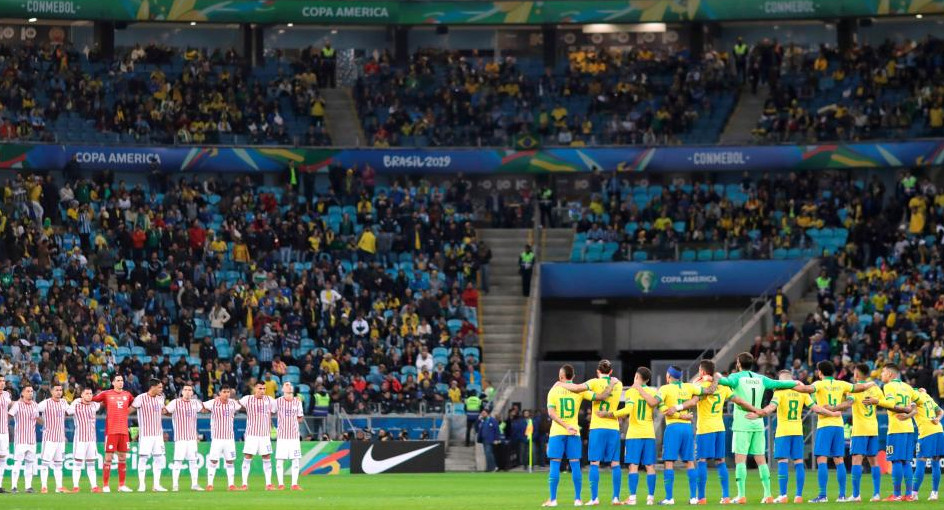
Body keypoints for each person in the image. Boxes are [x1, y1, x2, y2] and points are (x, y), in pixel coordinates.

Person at [716, 352, 813, 503]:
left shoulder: (736, 377)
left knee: (740, 459)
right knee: (761, 459)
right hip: (758, 422)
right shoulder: (761, 378)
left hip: (743, 421)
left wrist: (715, 376)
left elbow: (723, 382)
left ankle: (741, 495)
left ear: (738, 363)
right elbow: (779, 383)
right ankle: (767, 494)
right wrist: (796, 382)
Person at [747, 370, 839, 503]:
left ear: (781, 380)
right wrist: (832, 413)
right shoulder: (801, 392)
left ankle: (783, 495)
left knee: (782, 462)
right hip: (797, 432)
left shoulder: (779, 392)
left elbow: (770, 408)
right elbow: (816, 408)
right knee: (798, 463)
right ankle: (798, 496)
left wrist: (759, 413)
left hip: (783, 432)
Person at [543, 363, 611, 507]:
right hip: (574, 432)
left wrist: (565, 426)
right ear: (573, 376)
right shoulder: (579, 391)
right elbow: (601, 396)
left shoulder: (553, 391)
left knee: (554, 465)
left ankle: (553, 500)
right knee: (575, 465)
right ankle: (578, 499)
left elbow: (551, 413)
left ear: (561, 376)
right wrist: (612, 385)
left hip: (557, 432)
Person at [809, 360, 875, 502]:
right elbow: (856, 393)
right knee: (839, 460)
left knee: (822, 459)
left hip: (825, 424)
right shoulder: (842, 384)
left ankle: (822, 495)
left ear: (820, 372)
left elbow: (806, 390)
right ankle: (842, 495)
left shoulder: (818, 384)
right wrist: (871, 383)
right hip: (839, 425)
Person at [559, 360, 623, 505]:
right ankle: (616, 498)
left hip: (598, 427)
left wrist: (561, 383)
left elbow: (577, 388)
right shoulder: (618, 384)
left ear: (597, 371)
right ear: (611, 371)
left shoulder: (594, 382)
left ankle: (594, 498)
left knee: (595, 463)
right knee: (615, 463)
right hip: (613, 427)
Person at [654, 365, 719, 505]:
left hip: (673, 427)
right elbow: (710, 390)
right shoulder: (690, 387)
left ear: (668, 376)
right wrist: (716, 379)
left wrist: (676, 414)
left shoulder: (664, 389)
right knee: (690, 461)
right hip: (687, 428)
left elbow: (660, 406)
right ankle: (693, 498)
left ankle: (669, 498)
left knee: (669, 462)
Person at [826, 363, 889, 501]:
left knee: (856, 460)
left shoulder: (855, 389)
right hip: (873, 428)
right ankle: (876, 494)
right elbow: (884, 403)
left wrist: (833, 408)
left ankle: (856, 495)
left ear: (857, 374)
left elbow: (848, 403)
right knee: (874, 461)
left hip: (860, 429)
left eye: (854, 372)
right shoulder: (875, 388)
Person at [693, 360, 753, 504]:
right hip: (719, 428)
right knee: (720, 461)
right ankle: (725, 496)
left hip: (705, 428)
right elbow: (737, 400)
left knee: (702, 460)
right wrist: (754, 409)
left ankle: (701, 497)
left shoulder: (700, 385)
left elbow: (692, 396)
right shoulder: (723, 386)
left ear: (702, 371)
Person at [599, 367, 659, 505]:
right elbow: (656, 405)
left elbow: (627, 410)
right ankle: (650, 498)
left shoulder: (632, 391)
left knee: (633, 465)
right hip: (649, 433)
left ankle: (632, 498)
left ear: (637, 377)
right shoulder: (653, 391)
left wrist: (609, 414)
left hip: (635, 434)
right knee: (650, 466)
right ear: (648, 379)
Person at [865, 362, 920, 501]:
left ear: (890, 374)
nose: (881, 374)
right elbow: (917, 404)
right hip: (909, 428)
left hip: (896, 428)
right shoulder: (907, 387)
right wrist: (908, 413)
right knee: (906, 461)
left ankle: (896, 495)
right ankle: (909, 495)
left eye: (883, 372)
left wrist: (875, 401)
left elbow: (890, 404)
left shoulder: (889, 386)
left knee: (896, 461)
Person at [92, 374, 135, 492]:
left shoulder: (128, 395)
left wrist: (126, 413)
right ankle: (105, 485)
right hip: (111, 431)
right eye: (118, 380)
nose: (121, 382)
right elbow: (93, 399)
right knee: (108, 458)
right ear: (113, 382)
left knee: (122, 458)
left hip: (124, 431)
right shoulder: (106, 394)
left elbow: (135, 404)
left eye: (122, 380)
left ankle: (122, 485)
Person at [165, 384, 204, 492]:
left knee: (193, 461)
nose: (187, 392)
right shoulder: (175, 402)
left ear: (192, 393)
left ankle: (194, 484)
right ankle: (175, 485)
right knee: (178, 462)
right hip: (180, 438)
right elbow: (165, 411)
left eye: (190, 390)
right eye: (185, 390)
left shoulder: (195, 403)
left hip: (192, 438)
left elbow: (204, 410)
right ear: (182, 392)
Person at [239, 381, 276, 490]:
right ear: (255, 389)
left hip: (265, 435)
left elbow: (282, 404)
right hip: (252, 435)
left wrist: (295, 400)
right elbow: (235, 404)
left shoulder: (270, 400)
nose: (262, 391)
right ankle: (244, 484)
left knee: (267, 457)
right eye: (260, 388)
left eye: (264, 389)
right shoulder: (247, 399)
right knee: (248, 457)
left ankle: (268, 484)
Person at [132, 378, 167, 492]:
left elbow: (163, 411)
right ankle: (142, 485)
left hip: (158, 435)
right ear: (153, 387)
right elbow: (129, 410)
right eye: (160, 387)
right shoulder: (140, 398)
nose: (161, 389)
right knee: (143, 459)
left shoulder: (161, 398)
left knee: (159, 459)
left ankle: (156, 485)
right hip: (146, 435)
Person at [204, 385, 242, 491]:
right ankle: (210, 484)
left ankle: (231, 485)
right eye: (224, 392)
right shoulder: (213, 402)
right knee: (213, 461)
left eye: (228, 392)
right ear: (219, 393)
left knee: (230, 461)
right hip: (217, 438)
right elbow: (201, 406)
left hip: (229, 438)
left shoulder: (233, 403)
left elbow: (240, 405)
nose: (226, 394)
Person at [36, 384, 69, 493]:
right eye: (57, 390)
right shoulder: (45, 403)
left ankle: (59, 487)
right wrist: (43, 423)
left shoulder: (64, 402)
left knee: (59, 464)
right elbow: (34, 411)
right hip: (49, 438)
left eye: (60, 390)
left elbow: (69, 412)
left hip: (60, 439)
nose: (59, 392)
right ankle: (44, 487)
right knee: (45, 463)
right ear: (51, 391)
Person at [912, 388, 944, 500]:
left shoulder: (915, 398)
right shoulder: (928, 398)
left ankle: (914, 494)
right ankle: (934, 493)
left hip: (926, 433)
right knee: (936, 463)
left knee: (921, 462)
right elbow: (941, 411)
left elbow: (913, 411)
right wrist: (938, 419)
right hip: (939, 431)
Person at [68, 387, 101, 492]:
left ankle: (94, 486)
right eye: (86, 393)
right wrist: (77, 400)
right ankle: (76, 486)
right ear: (81, 395)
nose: (89, 395)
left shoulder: (94, 405)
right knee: (78, 463)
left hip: (91, 440)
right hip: (80, 440)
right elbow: (68, 411)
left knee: (91, 464)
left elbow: (102, 401)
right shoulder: (76, 405)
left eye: (91, 393)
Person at [8, 385, 39, 493]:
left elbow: (37, 419)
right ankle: (14, 486)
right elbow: (9, 415)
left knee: (29, 464)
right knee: (17, 463)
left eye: (31, 391)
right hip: (20, 440)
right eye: (28, 391)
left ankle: (28, 487)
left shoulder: (35, 405)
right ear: (23, 393)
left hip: (32, 440)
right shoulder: (17, 405)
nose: (30, 393)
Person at [275, 382, 304, 490]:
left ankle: (294, 484)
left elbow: (300, 418)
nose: (289, 386)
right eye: (287, 385)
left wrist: (293, 420)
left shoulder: (297, 402)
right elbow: (270, 411)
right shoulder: (277, 402)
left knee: (295, 460)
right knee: (280, 460)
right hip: (282, 436)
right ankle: (281, 484)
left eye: (291, 385)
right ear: (282, 389)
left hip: (294, 436)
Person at [477, 408, 501, 472]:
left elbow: (497, 430)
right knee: (487, 454)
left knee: (488, 453)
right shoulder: (482, 421)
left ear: (488, 413)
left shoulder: (492, 420)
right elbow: (478, 428)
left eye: (484, 413)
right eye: (482, 413)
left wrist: (497, 439)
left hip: (490, 439)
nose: (482, 414)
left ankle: (493, 467)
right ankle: (489, 467)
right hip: (484, 439)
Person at [0, 375, 12, 493]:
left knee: (3, 457)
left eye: (3, 381)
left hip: (4, 432)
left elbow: (10, 406)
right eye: (0, 381)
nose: (2, 383)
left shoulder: (6, 395)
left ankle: (0, 485)